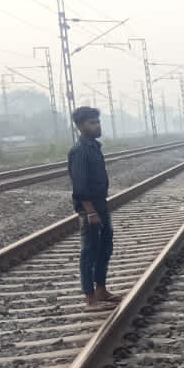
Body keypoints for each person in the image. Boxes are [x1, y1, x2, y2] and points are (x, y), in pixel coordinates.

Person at [68, 107, 119, 311]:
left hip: (100, 204)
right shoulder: (80, 151)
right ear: (80, 126)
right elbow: (80, 186)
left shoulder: (94, 147)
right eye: (92, 123)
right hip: (90, 208)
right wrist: (90, 212)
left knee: (105, 247)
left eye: (97, 122)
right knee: (89, 251)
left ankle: (101, 290)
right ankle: (90, 298)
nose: (97, 126)